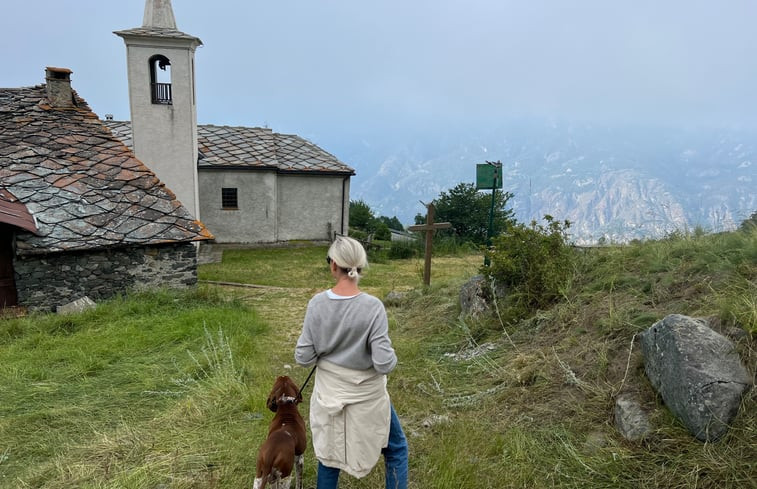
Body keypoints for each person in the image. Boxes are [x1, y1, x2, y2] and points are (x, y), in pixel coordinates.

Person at [295, 236, 408, 489]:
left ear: (333, 265)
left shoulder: (317, 304)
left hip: (330, 395)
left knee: (329, 457)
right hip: (367, 397)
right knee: (396, 448)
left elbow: (303, 357)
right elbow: (384, 364)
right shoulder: (373, 308)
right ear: (361, 265)